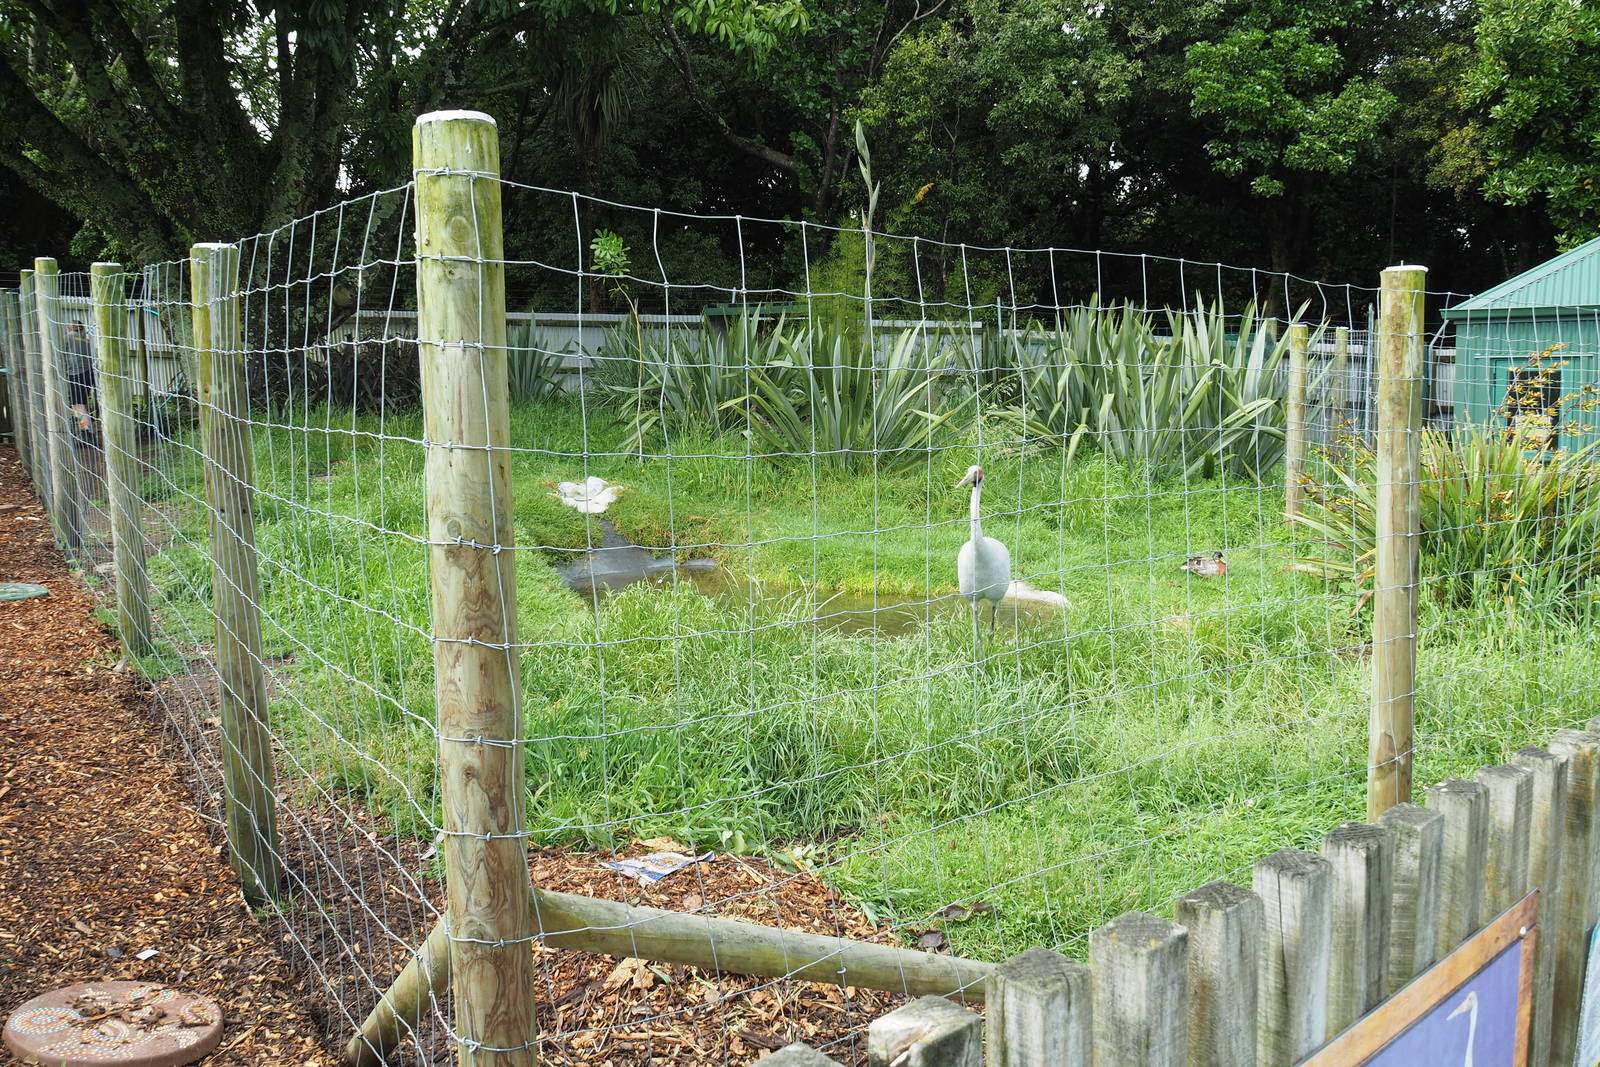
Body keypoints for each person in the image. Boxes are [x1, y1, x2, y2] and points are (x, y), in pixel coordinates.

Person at [61, 319, 96, 436]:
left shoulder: (68, 338)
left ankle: (87, 432)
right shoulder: (86, 340)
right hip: (89, 374)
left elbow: (60, 355)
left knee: (78, 405)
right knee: (80, 404)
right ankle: (84, 430)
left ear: (69, 328)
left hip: (76, 374)